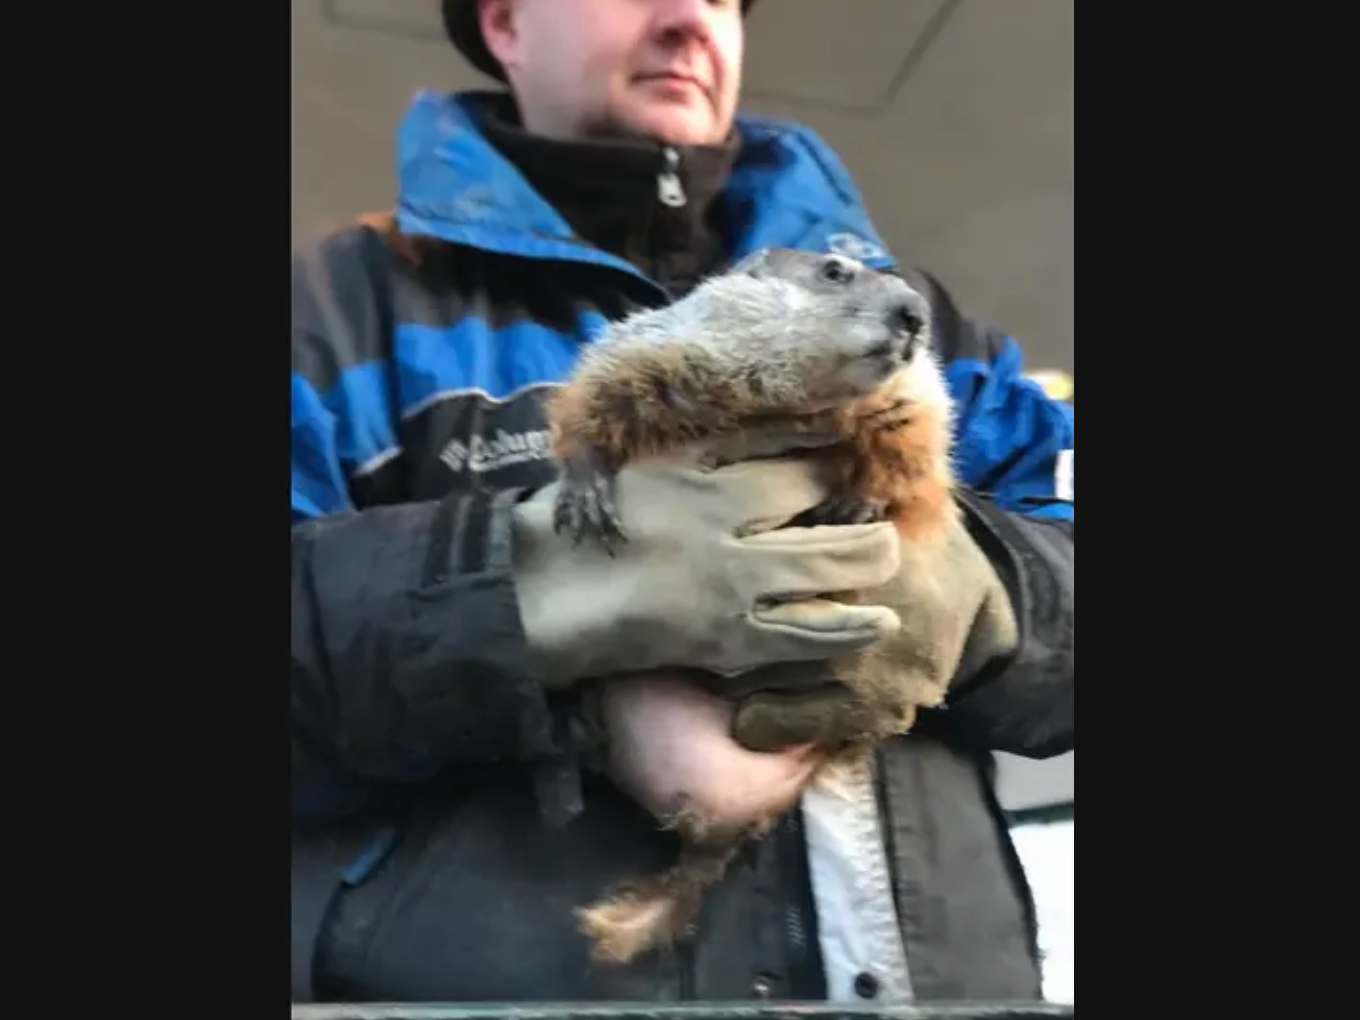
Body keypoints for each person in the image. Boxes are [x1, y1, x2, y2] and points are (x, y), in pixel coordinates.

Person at [290, 0, 1074, 1005]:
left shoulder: (920, 320)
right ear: (504, 23)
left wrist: (988, 595)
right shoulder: (334, 310)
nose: (686, 20)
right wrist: (515, 592)